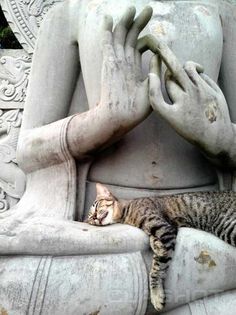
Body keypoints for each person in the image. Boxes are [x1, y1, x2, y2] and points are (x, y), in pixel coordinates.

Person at [1, 0, 236, 313]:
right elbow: (28, 150)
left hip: (208, 225)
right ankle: (191, 278)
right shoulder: (70, 12)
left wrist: (221, 138)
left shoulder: (223, 12)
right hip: (98, 233)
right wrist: (104, 121)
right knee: (14, 284)